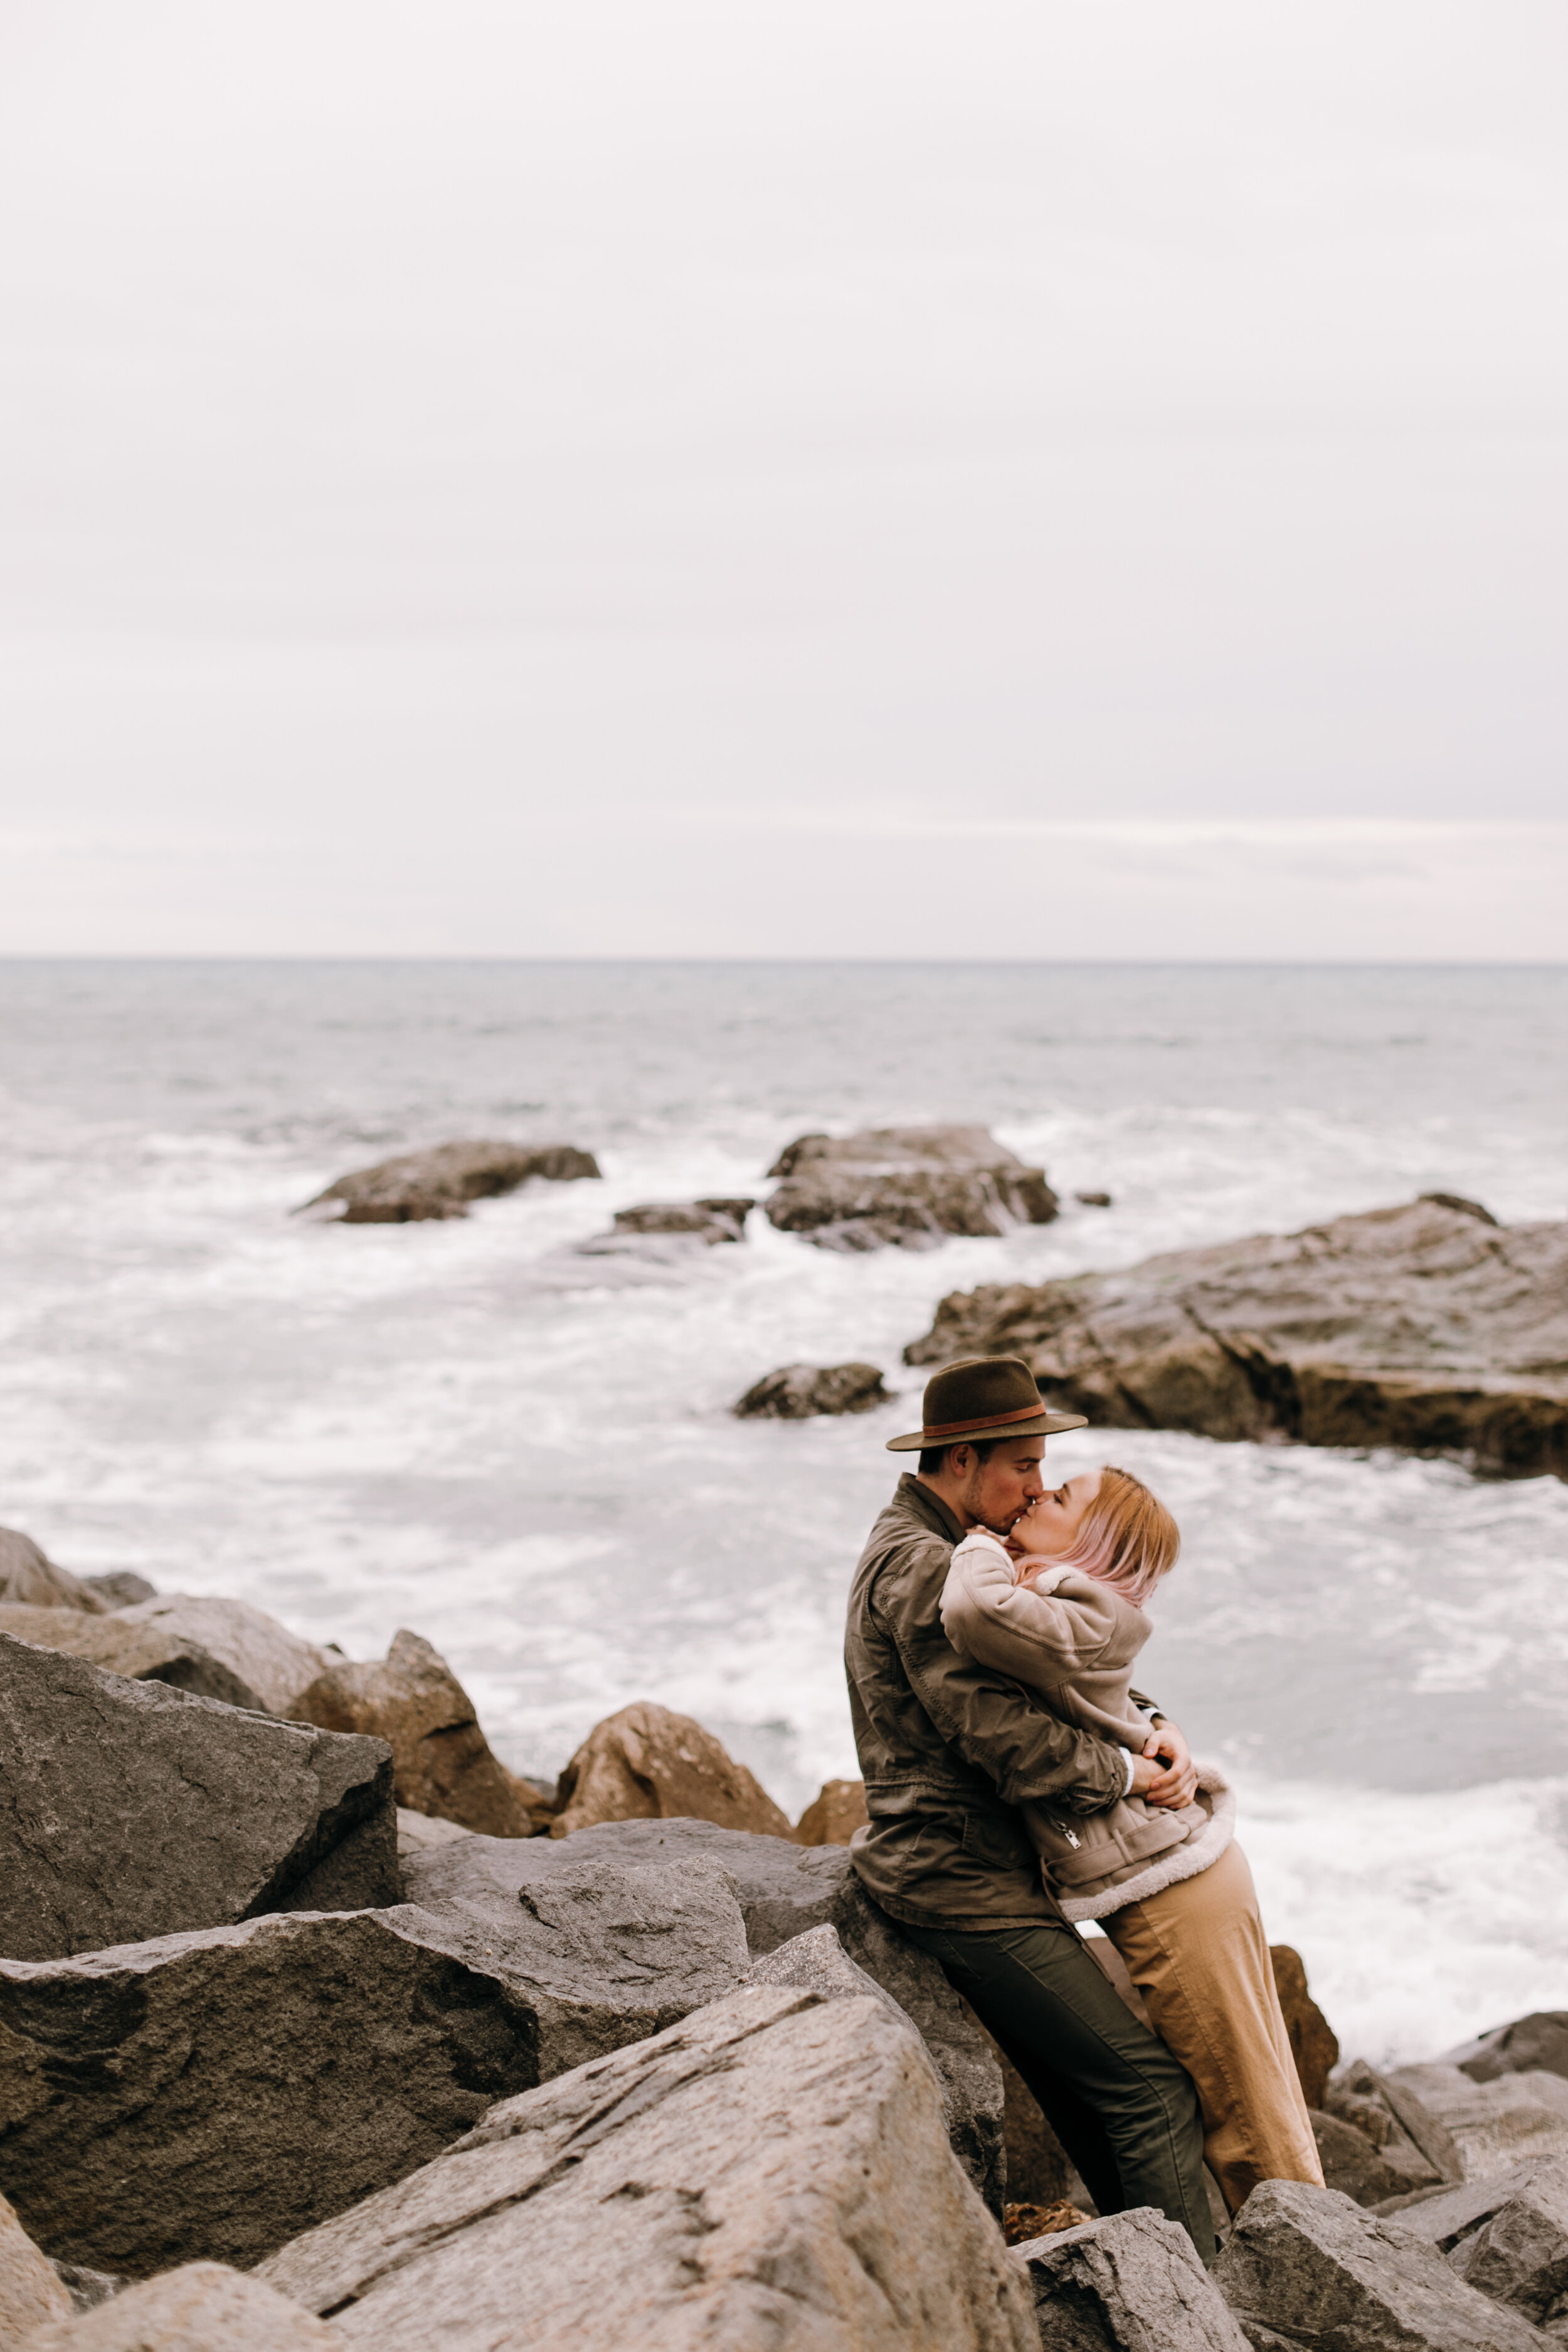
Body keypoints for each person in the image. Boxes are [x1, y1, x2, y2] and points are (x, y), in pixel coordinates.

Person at [844, 1353, 1216, 2260]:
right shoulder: (930, 1566)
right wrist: (1130, 1776)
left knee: (1099, 2095)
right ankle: (1192, 2310)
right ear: (962, 1459)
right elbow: (996, 1730)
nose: (1035, 1490)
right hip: (957, 1876)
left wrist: (1152, 1725)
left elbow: (1061, 1663)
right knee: (1152, 2093)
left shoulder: (943, 1548)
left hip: (972, 1863)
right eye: (1024, 1466)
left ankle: (1138, 2281)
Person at [942, 1468, 1323, 2213]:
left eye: (1062, 1499)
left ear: (1093, 1540)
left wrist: (974, 1539)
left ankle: (1314, 2277)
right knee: (1254, 2083)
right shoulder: (1060, 1602)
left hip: (1177, 1889)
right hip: (1173, 1875)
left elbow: (971, 1611)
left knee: (1246, 2107)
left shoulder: (1075, 1604)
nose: (1039, 1494)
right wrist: (1156, 1724)